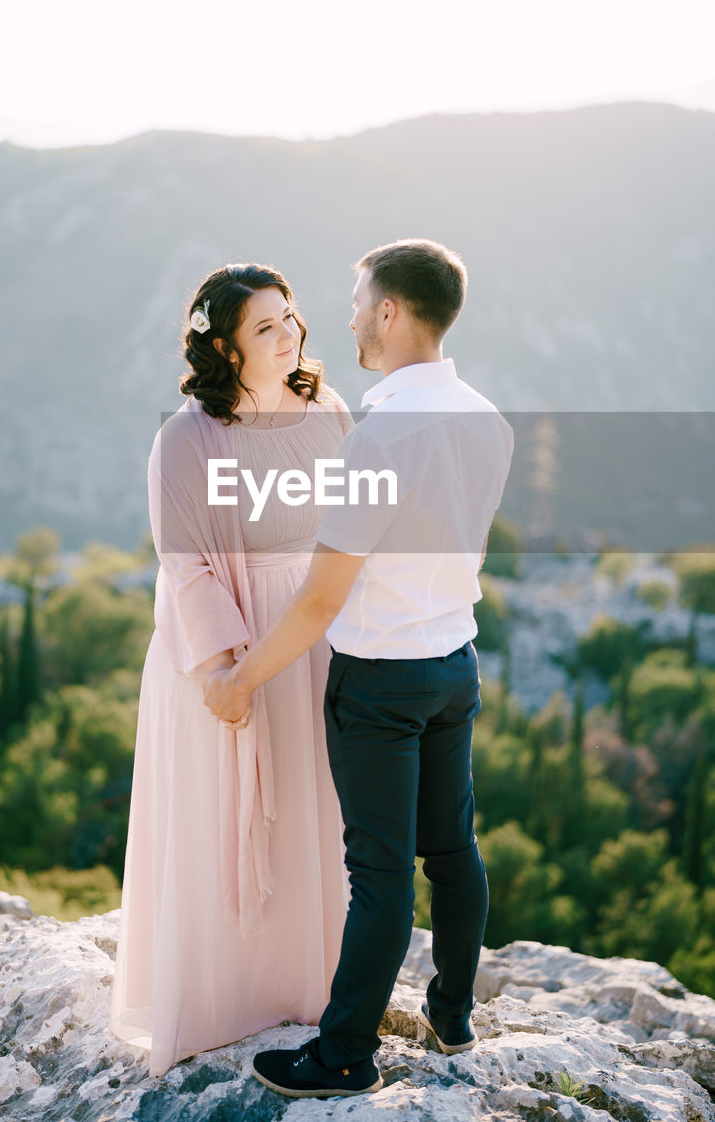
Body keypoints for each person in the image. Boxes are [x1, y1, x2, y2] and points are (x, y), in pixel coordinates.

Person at [206, 238, 515, 1100]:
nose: (342, 321)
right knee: (452, 850)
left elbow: (317, 602)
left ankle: (343, 1057)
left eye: (355, 302)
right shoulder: (487, 418)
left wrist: (238, 681)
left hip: (379, 684)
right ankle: (452, 1016)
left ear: (388, 311)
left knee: (378, 876)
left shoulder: (377, 441)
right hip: (454, 665)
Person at [109, 262, 354, 1076]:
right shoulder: (186, 437)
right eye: (264, 327)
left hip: (314, 637)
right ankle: (220, 998)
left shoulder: (327, 412)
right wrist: (224, 671)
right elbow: (186, 563)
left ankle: (306, 988)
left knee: (310, 808)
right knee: (227, 816)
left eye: (289, 319)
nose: (287, 335)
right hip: (228, 645)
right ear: (224, 346)